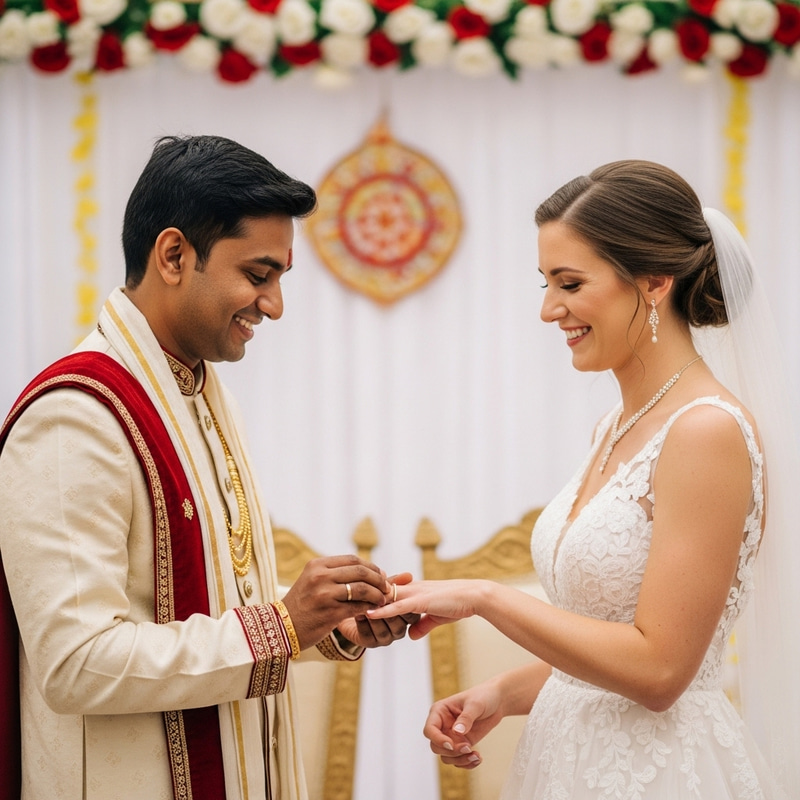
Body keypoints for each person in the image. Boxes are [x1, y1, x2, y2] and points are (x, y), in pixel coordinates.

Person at [0, 134, 416, 800]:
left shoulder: (194, 389)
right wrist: (279, 627)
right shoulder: (76, 416)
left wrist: (319, 628)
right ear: (173, 255)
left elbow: (213, 612)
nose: (275, 304)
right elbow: (76, 663)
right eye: (258, 275)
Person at [369, 160, 800, 798]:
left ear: (654, 282)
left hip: (660, 773)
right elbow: (607, 643)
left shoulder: (705, 431)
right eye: (545, 283)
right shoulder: (614, 426)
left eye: (569, 283)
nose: (549, 310)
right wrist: (501, 694)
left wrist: (486, 597)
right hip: (568, 758)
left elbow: (658, 670)